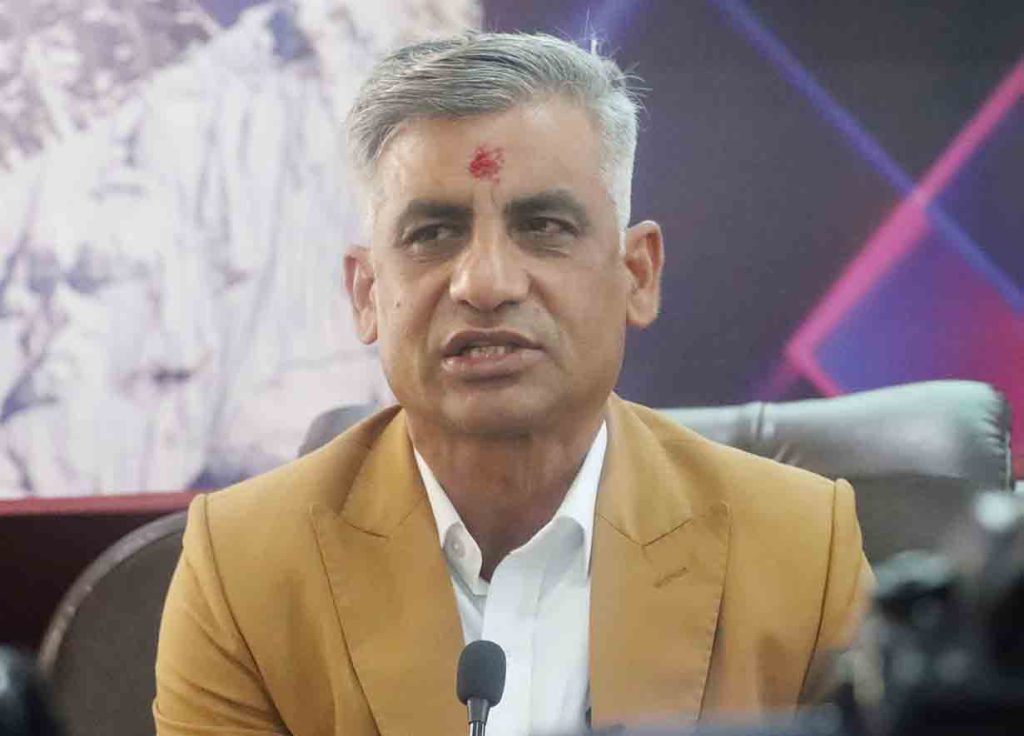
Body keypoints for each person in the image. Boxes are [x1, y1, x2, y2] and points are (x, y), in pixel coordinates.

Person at [154, 32, 873, 736]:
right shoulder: (245, 569)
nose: (486, 283)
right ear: (367, 293)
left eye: (545, 226)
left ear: (637, 274)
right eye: (433, 234)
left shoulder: (801, 552)